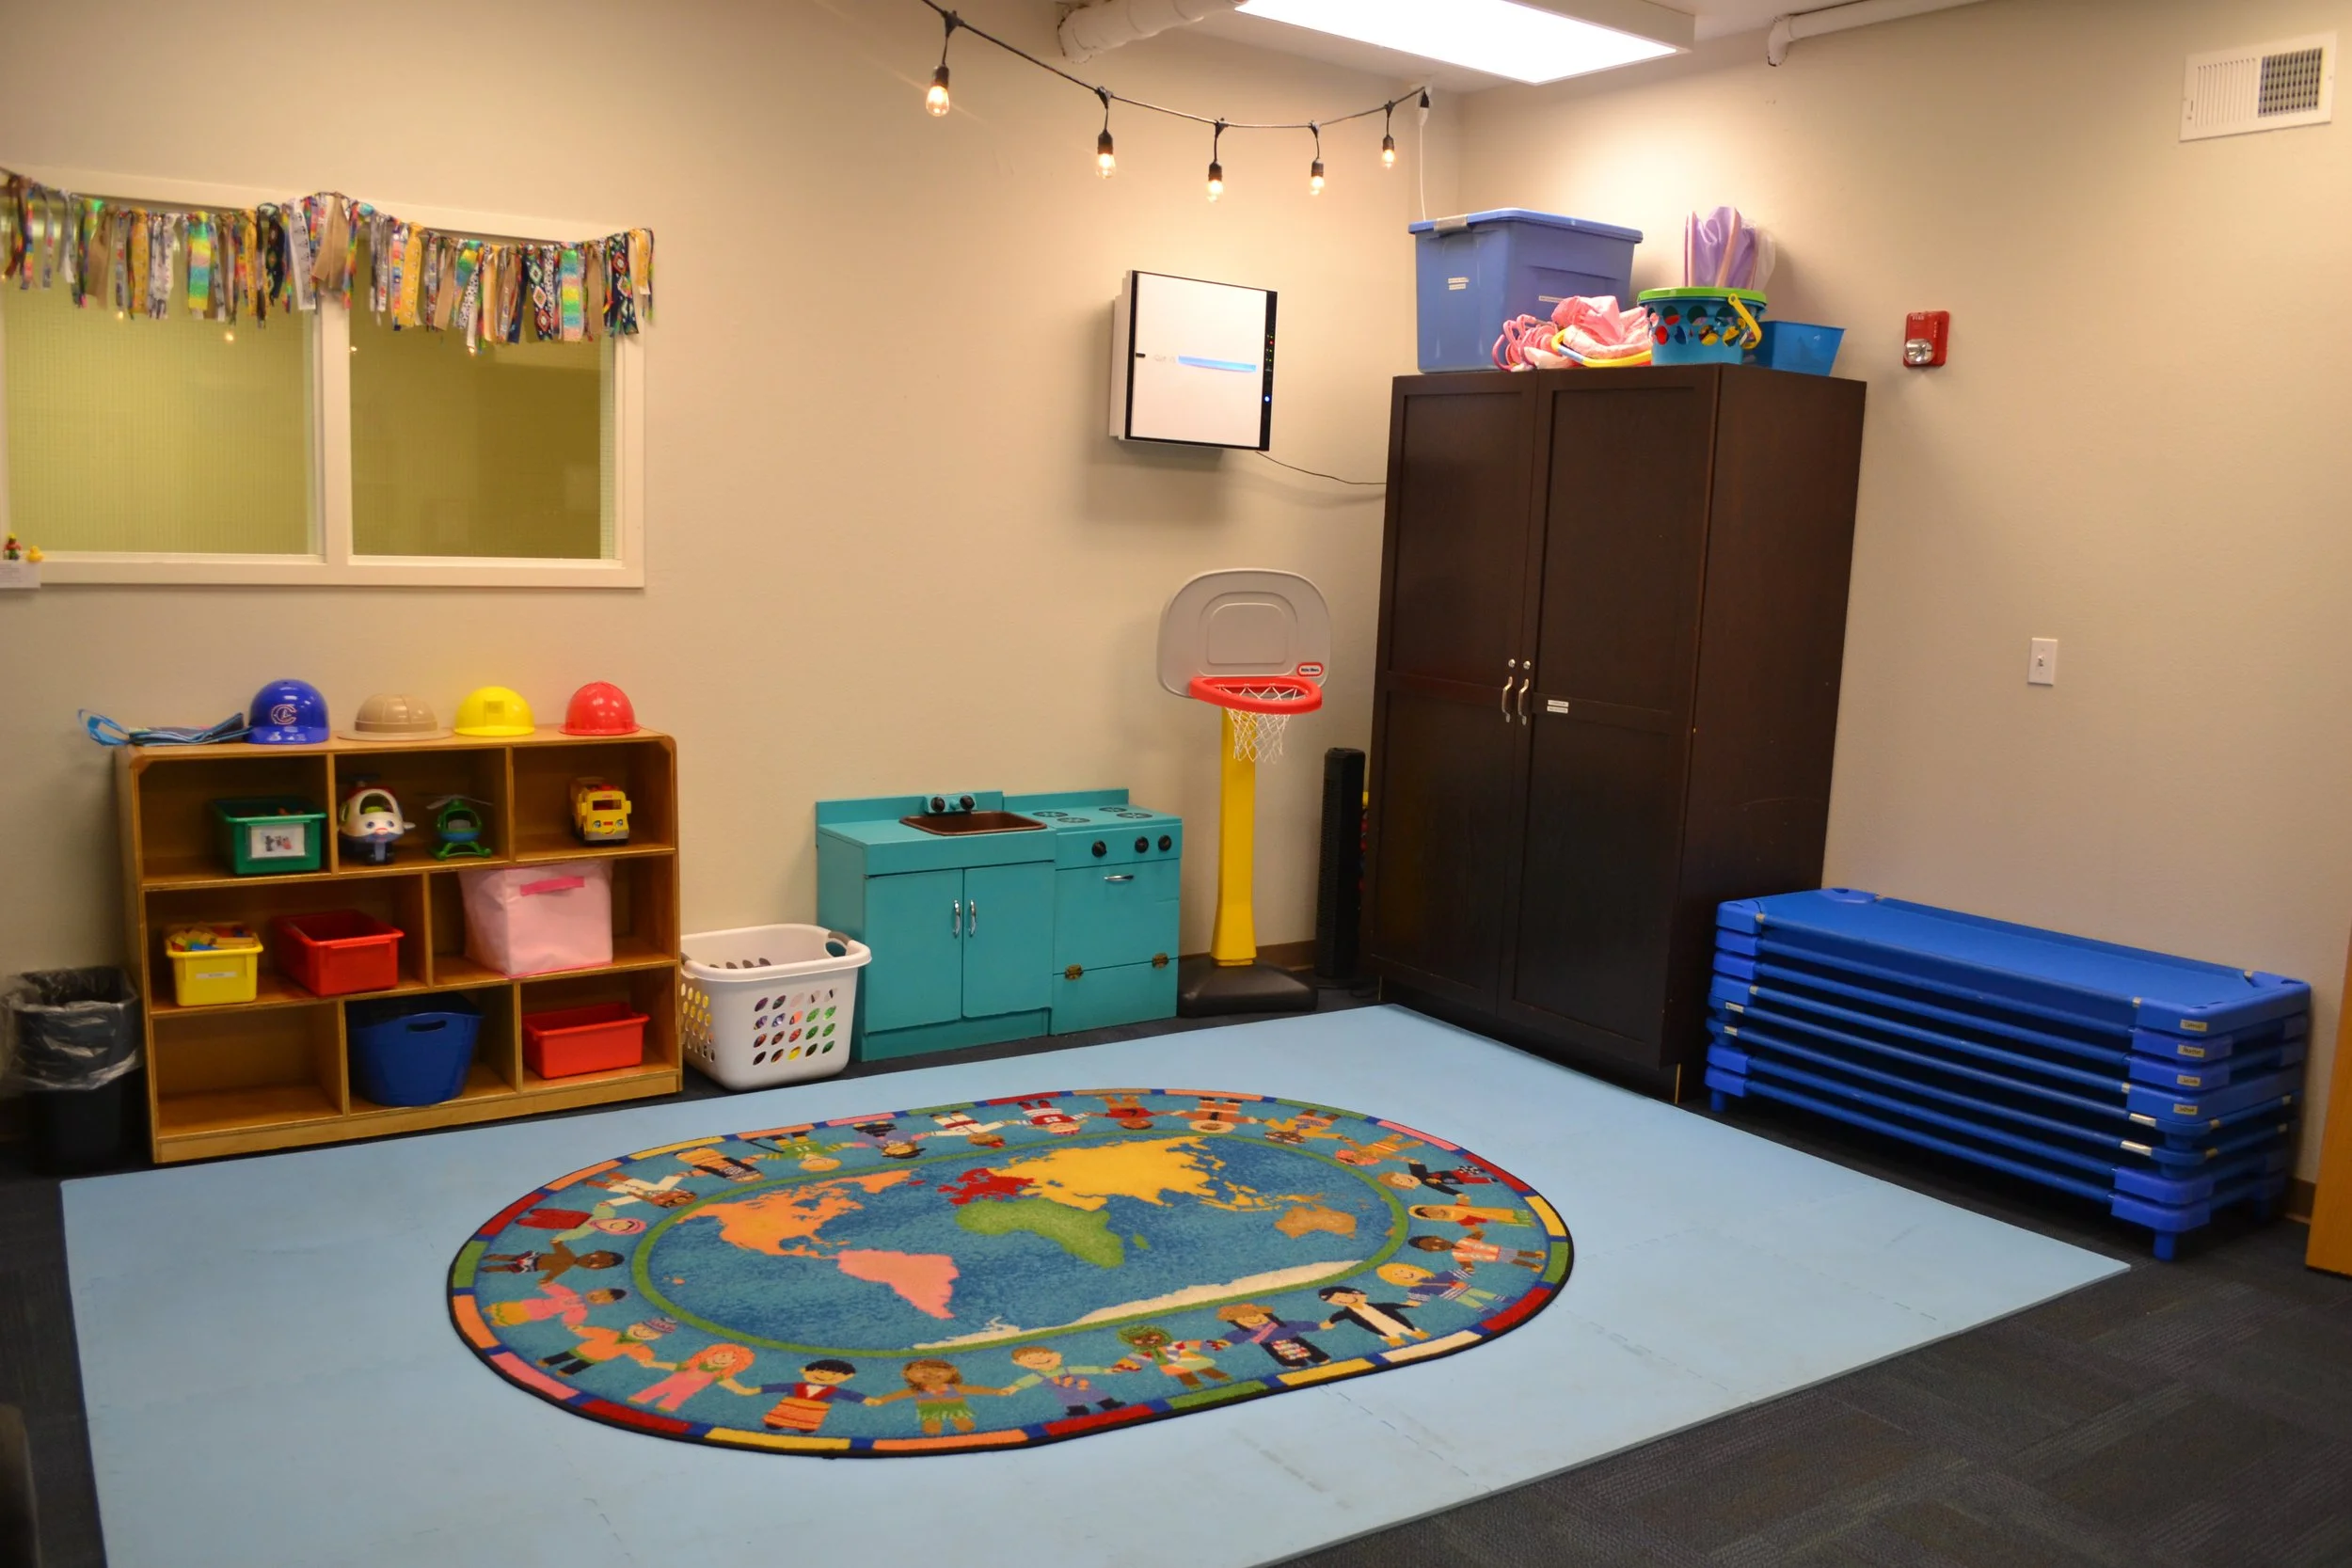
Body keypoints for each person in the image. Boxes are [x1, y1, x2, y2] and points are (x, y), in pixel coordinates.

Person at [866, 1359, 1011, 1436]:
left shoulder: (953, 1388)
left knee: (962, 1422)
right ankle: (931, 1438)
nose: (930, 1374)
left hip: (955, 1408)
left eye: (937, 1370)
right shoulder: (917, 1390)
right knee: (931, 1426)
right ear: (907, 1375)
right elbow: (897, 1395)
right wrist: (882, 1400)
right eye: (921, 1371)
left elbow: (975, 1389)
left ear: (952, 1372)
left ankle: (970, 1435)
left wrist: (995, 1391)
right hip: (930, 1410)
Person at [744, 1359, 875, 1433]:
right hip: (787, 1410)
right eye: (821, 1372)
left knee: (806, 1425)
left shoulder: (833, 1390)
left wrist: (865, 1399)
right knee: (778, 1420)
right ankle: (776, 1423)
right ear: (804, 1371)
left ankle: (805, 1427)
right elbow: (777, 1387)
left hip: (811, 1415)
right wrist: (757, 1390)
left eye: (834, 1375)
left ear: (847, 1377)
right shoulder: (796, 1386)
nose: (826, 1376)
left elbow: (849, 1395)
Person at [628, 1344, 762, 1413]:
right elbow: (674, 1366)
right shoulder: (691, 1365)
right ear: (709, 1354)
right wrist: (654, 1363)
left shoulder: (720, 1375)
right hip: (665, 1385)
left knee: (669, 1404)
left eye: (731, 1360)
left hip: (681, 1394)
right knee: (644, 1396)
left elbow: (735, 1387)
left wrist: (748, 1391)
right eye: (722, 1356)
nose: (723, 1360)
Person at [1004, 1345, 1125, 1418]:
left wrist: (1107, 1370)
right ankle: (1078, 1411)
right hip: (1065, 1393)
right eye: (1030, 1359)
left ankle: (1110, 1405)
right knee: (1071, 1401)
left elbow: (1087, 1369)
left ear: (1056, 1356)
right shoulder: (1039, 1375)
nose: (1038, 1359)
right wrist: (1012, 1388)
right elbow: (1025, 1381)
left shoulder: (1067, 1369)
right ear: (1022, 1363)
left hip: (1082, 1387)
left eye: (1041, 1355)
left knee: (1096, 1394)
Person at [1215, 1303, 1330, 1370]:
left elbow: (1299, 1325)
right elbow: (1235, 1336)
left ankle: (1320, 1358)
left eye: (1255, 1315)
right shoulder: (1248, 1331)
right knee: (1282, 1355)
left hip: (1293, 1338)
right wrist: (1223, 1342)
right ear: (1237, 1322)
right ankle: (1293, 1363)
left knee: (1309, 1348)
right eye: (1244, 1319)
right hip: (1270, 1344)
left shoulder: (1281, 1324)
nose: (1252, 1319)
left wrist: (1318, 1325)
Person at [1111, 1324, 1231, 1388]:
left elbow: (1193, 1344)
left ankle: (1224, 1379)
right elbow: (1134, 1360)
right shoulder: (1147, 1352)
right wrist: (1122, 1367)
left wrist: (1213, 1344)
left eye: (1151, 1336)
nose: (1147, 1340)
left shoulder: (1174, 1345)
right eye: (1139, 1339)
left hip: (1189, 1360)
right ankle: (1195, 1387)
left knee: (1206, 1370)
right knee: (1185, 1376)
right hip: (1172, 1367)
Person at [1315, 1286, 1428, 1348]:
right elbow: (1338, 1316)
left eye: (1343, 1296)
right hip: (1382, 1330)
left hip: (1396, 1323)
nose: (1341, 1300)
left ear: (1355, 1294)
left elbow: (1391, 1306)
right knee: (1396, 1342)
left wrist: (1407, 1305)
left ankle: (1414, 1332)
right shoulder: (1348, 1312)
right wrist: (1329, 1322)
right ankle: (1393, 1340)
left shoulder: (1376, 1306)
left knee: (1413, 1332)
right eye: (1335, 1300)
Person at [485, 1281, 625, 1328]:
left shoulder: (581, 1309)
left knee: (521, 1315)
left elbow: (572, 1319)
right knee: (515, 1307)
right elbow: (558, 1290)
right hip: (539, 1303)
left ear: (604, 1304)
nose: (598, 1296)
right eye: (600, 1292)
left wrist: (571, 1323)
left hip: (542, 1312)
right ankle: (493, 1309)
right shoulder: (571, 1294)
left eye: (604, 1299)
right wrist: (547, 1286)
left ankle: (500, 1321)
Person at [1375, 1260, 1499, 1311]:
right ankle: (1487, 1311)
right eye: (1397, 1275)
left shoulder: (1437, 1276)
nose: (1403, 1274)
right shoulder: (1417, 1288)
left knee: (1485, 1294)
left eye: (1401, 1270)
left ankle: (1501, 1299)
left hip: (1463, 1288)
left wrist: (1467, 1268)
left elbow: (1460, 1273)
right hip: (1451, 1295)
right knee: (1472, 1303)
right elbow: (1415, 1301)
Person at [1408, 1233, 1548, 1271]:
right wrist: (1468, 1268)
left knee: (1518, 1253)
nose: (1440, 1245)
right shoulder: (1457, 1255)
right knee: (1515, 1260)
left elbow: (1478, 1233)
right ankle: (1534, 1266)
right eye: (1434, 1247)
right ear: (1430, 1252)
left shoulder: (1464, 1240)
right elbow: (1466, 1263)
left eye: (1437, 1242)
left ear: (1438, 1237)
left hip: (1495, 1249)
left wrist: (1480, 1232)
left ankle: (1536, 1255)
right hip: (1491, 1257)